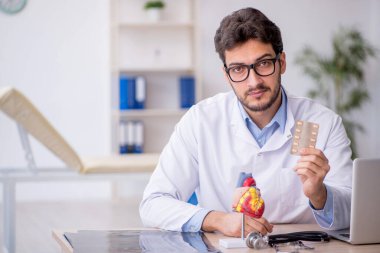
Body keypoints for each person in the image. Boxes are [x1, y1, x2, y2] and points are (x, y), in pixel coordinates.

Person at [139, 7, 352, 237]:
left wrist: (320, 195)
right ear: (226, 74)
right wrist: (217, 220)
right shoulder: (200, 121)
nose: (253, 82)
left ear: (282, 62)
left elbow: (354, 210)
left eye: (263, 64)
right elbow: (153, 203)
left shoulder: (324, 123)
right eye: (238, 69)